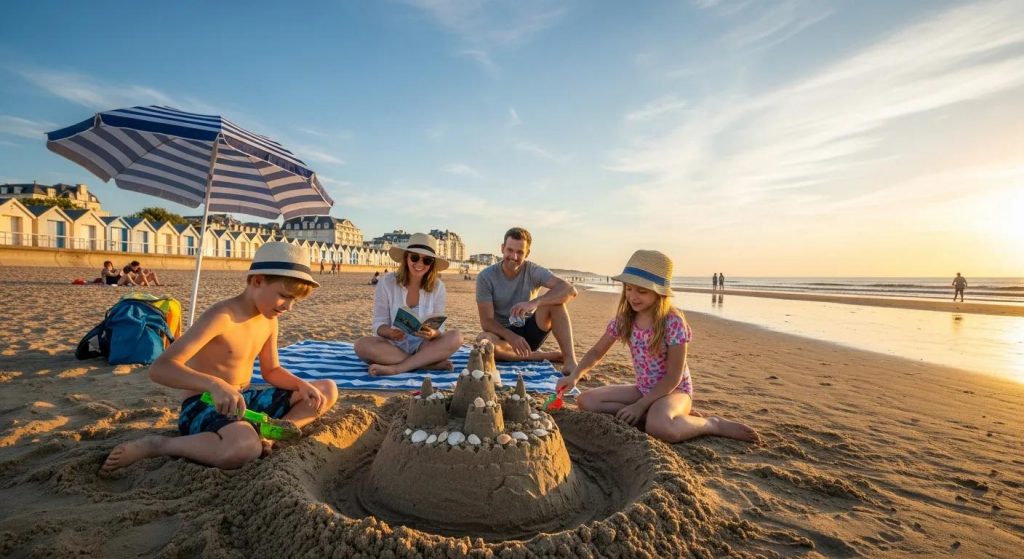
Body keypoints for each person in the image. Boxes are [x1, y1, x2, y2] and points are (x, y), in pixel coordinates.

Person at [101, 242, 339, 471]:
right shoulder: (223, 316)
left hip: (244, 400)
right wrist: (214, 384)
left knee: (326, 389)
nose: (288, 307)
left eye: (294, 300)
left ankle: (274, 433)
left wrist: (300, 384)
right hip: (206, 403)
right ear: (258, 281)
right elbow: (161, 368)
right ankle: (162, 445)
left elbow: (271, 371)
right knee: (243, 448)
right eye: (284, 296)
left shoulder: (269, 320)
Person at [557, 250, 758, 444]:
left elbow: (674, 376)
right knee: (586, 401)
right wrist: (574, 376)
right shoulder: (625, 319)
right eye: (628, 289)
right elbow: (596, 352)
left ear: (659, 293)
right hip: (644, 389)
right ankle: (655, 413)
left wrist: (640, 405)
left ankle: (711, 424)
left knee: (659, 428)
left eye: (642, 291)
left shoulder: (673, 322)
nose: (633, 296)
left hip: (675, 391)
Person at [354, 233, 463, 376]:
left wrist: (433, 333)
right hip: (393, 346)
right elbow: (378, 324)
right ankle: (426, 364)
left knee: (457, 337)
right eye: (415, 257)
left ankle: (397, 368)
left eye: (427, 260)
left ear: (432, 264)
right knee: (361, 345)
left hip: (425, 345)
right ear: (406, 257)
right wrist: (390, 333)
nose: (419, 264)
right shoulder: (387, 282)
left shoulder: (438, 287)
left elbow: (440, 327)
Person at [475, 227, 579, 370]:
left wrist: (534, 303)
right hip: (503, 337)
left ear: (527, 253)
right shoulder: (486, 277)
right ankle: (544, 356)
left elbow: (570, 290)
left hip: (530, 331)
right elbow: (486, 322)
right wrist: (511, 336)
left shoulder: (532, 270)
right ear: (502, 248)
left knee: (556, 303)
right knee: (484, 342)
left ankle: (570, 361)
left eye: (520, 252)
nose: (514, 257)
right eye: (510, 250)